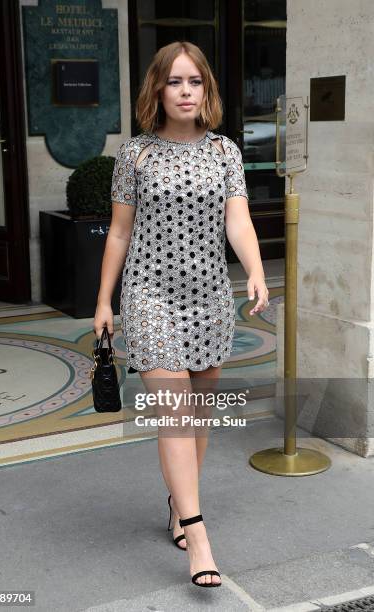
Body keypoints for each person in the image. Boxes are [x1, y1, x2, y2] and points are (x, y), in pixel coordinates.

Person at [93, 41, 269, 588]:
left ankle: (177, 501)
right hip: (149, 294)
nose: (186, 91)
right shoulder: (135, 155)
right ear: (158, 89)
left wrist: (256, 269)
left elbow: (237, 221)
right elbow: (120, 231)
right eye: (174, 82)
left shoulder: (225, 153)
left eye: (194, 81)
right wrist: (104, 299)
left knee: (197, 414)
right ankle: (197, 533)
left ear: (206, 89)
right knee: (174, 410)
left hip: (210, 295)